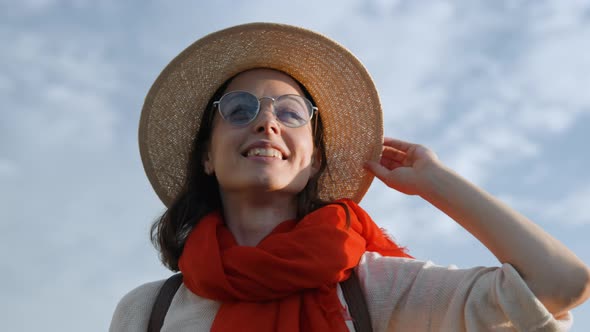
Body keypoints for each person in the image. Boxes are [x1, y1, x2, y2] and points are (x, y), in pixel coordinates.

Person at [109, 22, 590, 331]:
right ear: (207, 157)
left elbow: (562, 282)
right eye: (239, 109)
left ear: (315, 160)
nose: (267, 122)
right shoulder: (148, 311)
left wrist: (437, 182)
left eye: (292, 113)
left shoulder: (377, 288)